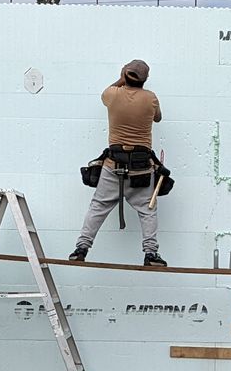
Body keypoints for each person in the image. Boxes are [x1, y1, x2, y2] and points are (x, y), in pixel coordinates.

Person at [71, 58, 167, 267]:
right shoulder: (151, 98)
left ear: (124, 74)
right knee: (147, 210)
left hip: (113, 164)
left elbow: (106, 93)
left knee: (98, 206)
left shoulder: (112, 94)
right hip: (141, 168)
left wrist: (122, 78)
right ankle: (151, 254)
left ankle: (81, 248)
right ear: (145, 79)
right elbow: (158, 118)